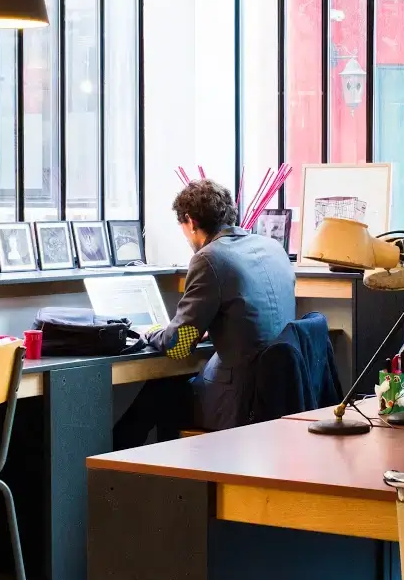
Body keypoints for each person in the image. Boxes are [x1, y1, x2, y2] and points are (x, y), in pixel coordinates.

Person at [112, 180, 296, 449]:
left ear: (190, 221)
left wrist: (151, 332)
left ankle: (113, 462)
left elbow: (178, 346)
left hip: (241, 399)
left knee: (158, 393)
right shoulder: (273, 248)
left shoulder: (209, 258)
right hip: (280, 391)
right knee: (167, 386)